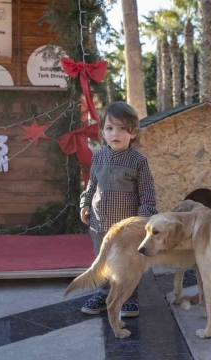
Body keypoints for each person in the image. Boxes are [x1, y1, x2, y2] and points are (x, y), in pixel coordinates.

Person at [79, 101, 158, 317]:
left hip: (126, 229)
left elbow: (148, 195)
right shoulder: (98, 157)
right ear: (103, 131)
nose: (116, 134)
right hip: (99, 224)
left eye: (123, 129)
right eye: (110, 128)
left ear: (133, 133)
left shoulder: (138, 161)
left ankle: (129, 296)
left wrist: (142, 222)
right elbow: (91, 185)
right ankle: (104, 293)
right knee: (102, 260)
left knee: (127, 261)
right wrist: (85, 204)